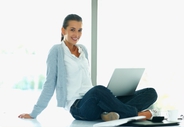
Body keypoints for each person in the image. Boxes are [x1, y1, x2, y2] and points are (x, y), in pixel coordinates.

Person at [18, 14, 158, 121]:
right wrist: (33, 113)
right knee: (98, 90)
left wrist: (110, 98)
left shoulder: (83, 50)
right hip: (79, 107)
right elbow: (49, 84)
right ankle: (136, 114)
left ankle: (112, 114)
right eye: (72, 30)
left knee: (151, 93)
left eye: (79, 30)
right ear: (63, 30)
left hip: (97, 102)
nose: (76, 35)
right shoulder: (56, 51)